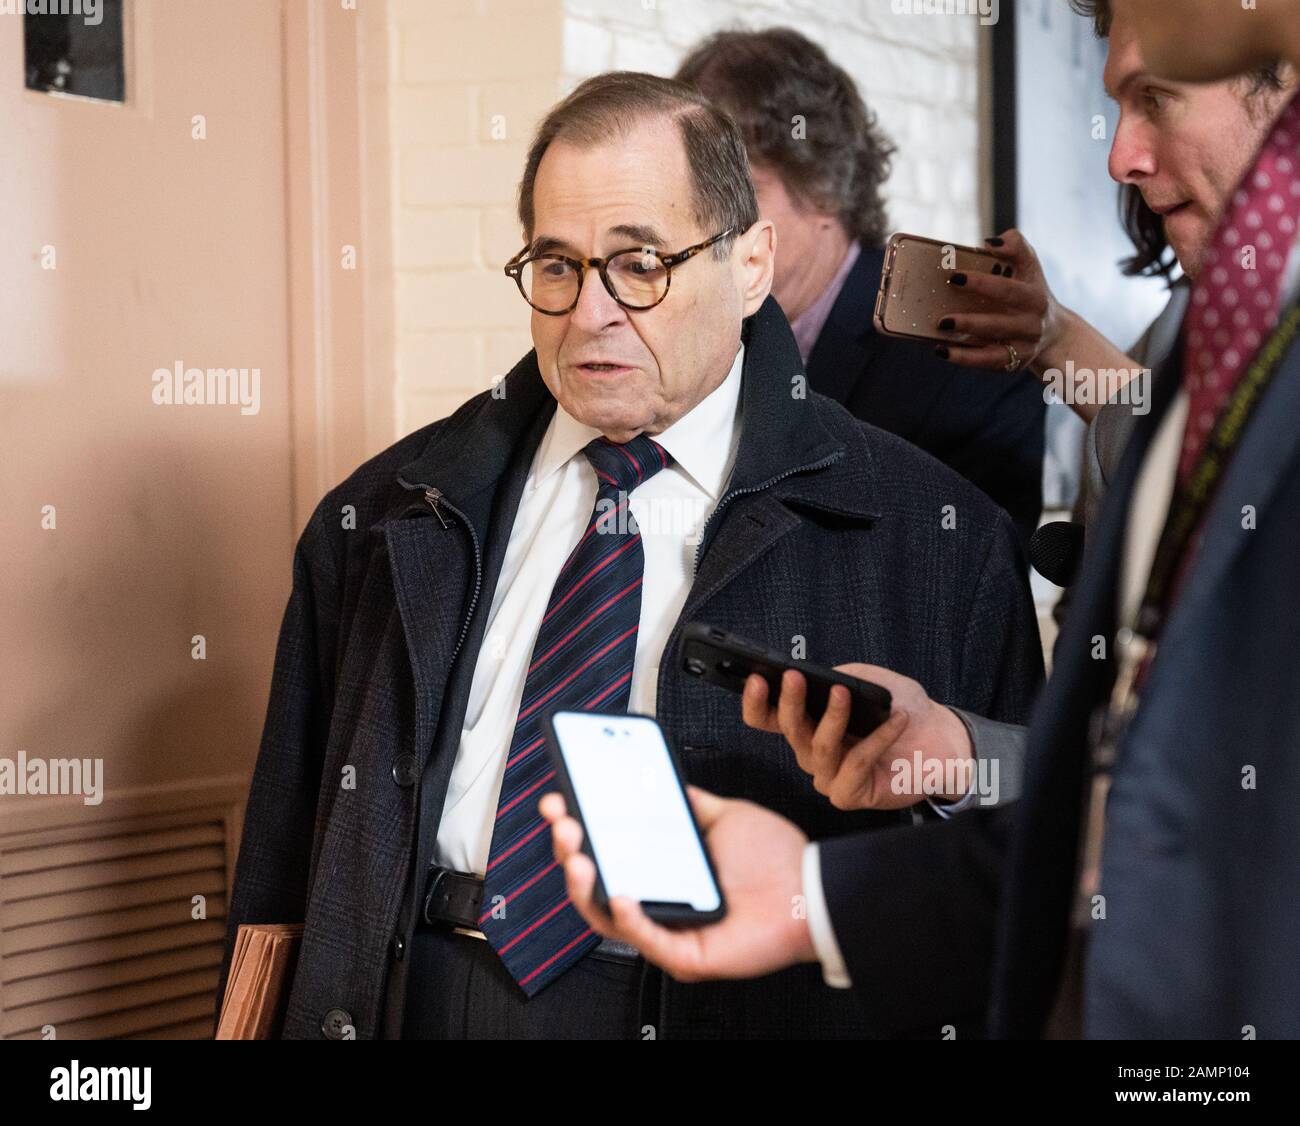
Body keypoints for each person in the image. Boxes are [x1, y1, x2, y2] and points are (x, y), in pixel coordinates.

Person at [213, 72, 1043, 1040]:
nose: (591, 311)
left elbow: (1031, 861)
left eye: (639, 263)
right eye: (557, 266)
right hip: (420, 989)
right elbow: (278, 880)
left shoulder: (940, 539)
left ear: (750, 265)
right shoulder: (379, 517)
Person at [544, 0, 1300, 1039]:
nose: (1119, 152)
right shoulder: (1192, 356)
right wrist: (839, 867)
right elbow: (1131, 794)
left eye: (1154, 95)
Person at [676, 28, 1047, 549]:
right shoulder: (689, 334)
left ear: (823, 184)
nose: (699, 226)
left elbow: (971, 579)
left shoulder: (963, 352)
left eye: (735, 195)